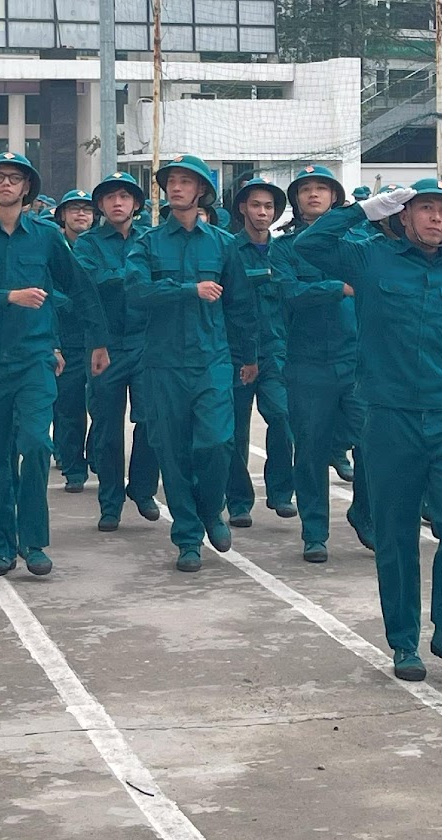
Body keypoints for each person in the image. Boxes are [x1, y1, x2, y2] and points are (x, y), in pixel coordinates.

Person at [296, 178, 442, 682]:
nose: (436, 218)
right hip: (388, 418)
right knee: (396, 535)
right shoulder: (369, 258)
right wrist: (360, 211)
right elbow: (309, 246)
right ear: (403, 215)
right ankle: (404, 643)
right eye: (426, 209)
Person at [0, 152, 110, 578]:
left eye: (14, 178)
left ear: (26, 188)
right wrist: (7, 296)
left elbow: (79, 285)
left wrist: (99, 341)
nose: (5, 184)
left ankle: (34, 542)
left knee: (36, 445)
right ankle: (2, 546)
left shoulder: (46, 237)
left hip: (34, 358)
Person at [124, 155, 257, 571]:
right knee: (173, 450)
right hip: (162, 363)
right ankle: (187, 537)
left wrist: (248, 356)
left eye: (185, 182)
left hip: (211, 360)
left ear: (201, 191)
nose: (176, 188)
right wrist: (186, 289)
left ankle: (211, 509)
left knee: (217, 443)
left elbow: (240, 306)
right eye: (171, 182)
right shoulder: (147, 243)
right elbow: (135, 292)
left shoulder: (222, 243)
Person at [270, 163, 369, 564]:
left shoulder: (359, 242)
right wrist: (336, 288)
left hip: (357, 358)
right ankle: (315, 532)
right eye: (305, 189)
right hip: (307, 361)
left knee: (369, 443)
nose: (313, 194)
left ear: (335, 197)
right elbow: (290, 293)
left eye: (321, 188)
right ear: (295, 200)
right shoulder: (283, 246)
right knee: (309, 449)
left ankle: (365, 515)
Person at [73, 172, 161, 532]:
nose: (117, 203)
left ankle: (142, 488)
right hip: (104, 344)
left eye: (125, 196)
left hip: (148, 341)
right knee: (107, 426)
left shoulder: (152, 239)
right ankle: (110, 502)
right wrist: (134, 276)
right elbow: (90, 284)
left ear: (137, 204)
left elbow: (155, 284)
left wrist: (125, 277)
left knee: (153, 418)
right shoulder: (87, 243)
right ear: (101, 206)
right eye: (110, 197)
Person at [225, 176, 296, 526]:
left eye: (269, 206)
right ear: (242, 208)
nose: (263, 212)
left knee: (282, 418)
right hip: (235, 352)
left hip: (275, 350)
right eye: (256, 205)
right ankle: (238, 501)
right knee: (236, 430)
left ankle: (281, 492)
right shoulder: (227, 248)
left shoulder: (284, 251)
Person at [49, 188, 99, 494]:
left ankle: (95, 454)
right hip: (66, 335)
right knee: (68, 405)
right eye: (74, 210)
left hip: (97, 336)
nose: (81, 215)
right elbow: (45, 285)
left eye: (87, 210)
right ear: (63, 216)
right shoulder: (54, 247)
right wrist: (69, 302)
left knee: (102, 403)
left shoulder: (98, 246)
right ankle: (73, 467)